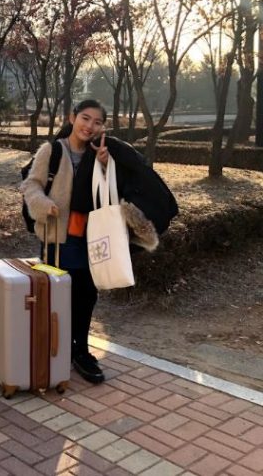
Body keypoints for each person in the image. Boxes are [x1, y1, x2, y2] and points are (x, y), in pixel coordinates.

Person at [21, 99, 176, 385]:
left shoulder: (103, 152)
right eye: (85, 118)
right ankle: (56, 348)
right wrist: (43, 204)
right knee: (59, 296)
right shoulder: (52, 151)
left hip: (92, 239)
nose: (90, 126)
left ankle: (80, 350)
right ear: (72, 118)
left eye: (97, 122)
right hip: (58, 240)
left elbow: (113, 191)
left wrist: (106, 166)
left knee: (86, 295)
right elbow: (31, 184)